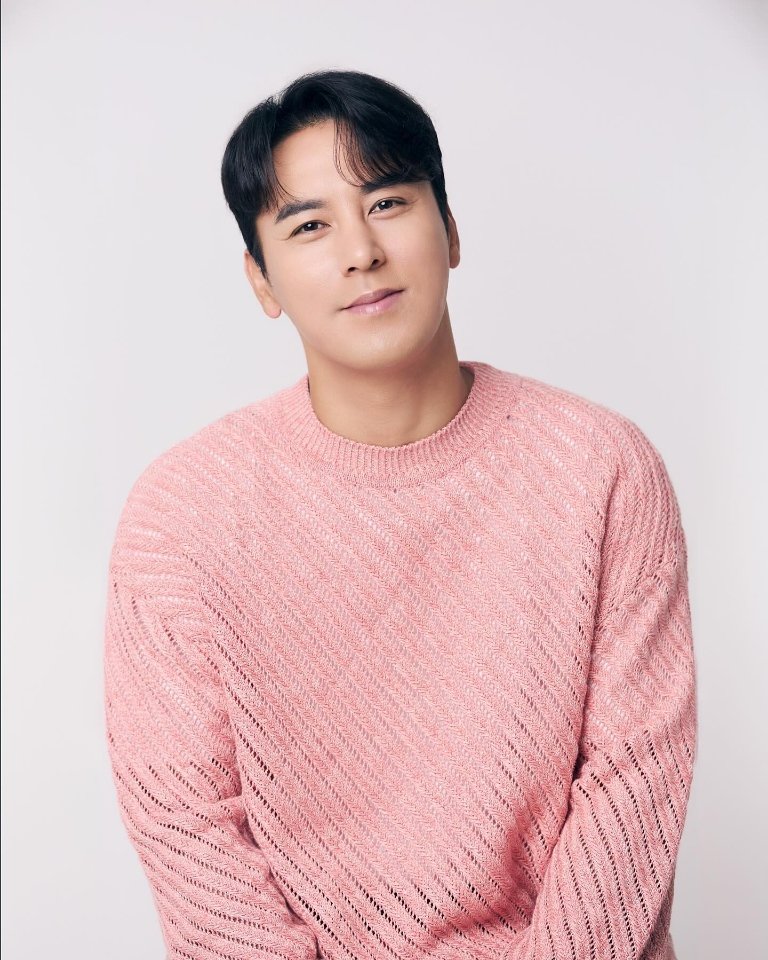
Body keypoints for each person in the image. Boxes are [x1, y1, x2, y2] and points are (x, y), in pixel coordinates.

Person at [102, 70, 698, 960]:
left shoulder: (602, 468)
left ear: (450, 229)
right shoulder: (180, 519)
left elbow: (634, 784)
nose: (361, 251)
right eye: (309, 226)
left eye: (387, 203)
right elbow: (190, 836)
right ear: (261, 280)